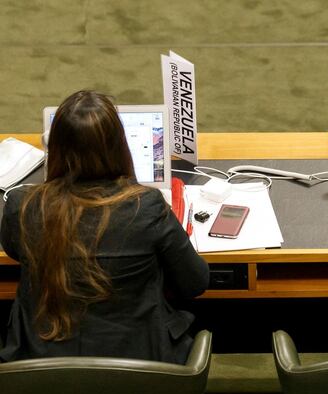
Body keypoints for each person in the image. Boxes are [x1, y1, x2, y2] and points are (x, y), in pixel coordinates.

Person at [0, 90, 208, 364]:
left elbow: (16, 251)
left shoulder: (22, 206)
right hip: (140, 379)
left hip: (41, 380)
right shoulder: (145, 206)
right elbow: (195, 283)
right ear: (120, 145)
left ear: (56, 147)